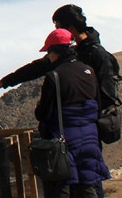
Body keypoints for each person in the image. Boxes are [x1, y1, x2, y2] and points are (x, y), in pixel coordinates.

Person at [0, 4, 121, 112]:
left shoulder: (97, 55)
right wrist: (4, 82)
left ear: (71, 28)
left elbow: (107, 96)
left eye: (58, 27)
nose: (56, 31)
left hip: (88, 126)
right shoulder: (71, 50)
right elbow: (36, 68)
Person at [33, 28, 110, 198]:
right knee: (89, 185)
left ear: (56, 52)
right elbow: (97, 103)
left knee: (63, 188)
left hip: (65, 144)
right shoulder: (89, 71)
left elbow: (43, 114)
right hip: (91, 139)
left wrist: (38, 107)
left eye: (49, 52)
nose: (48, 56)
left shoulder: (54, 76)